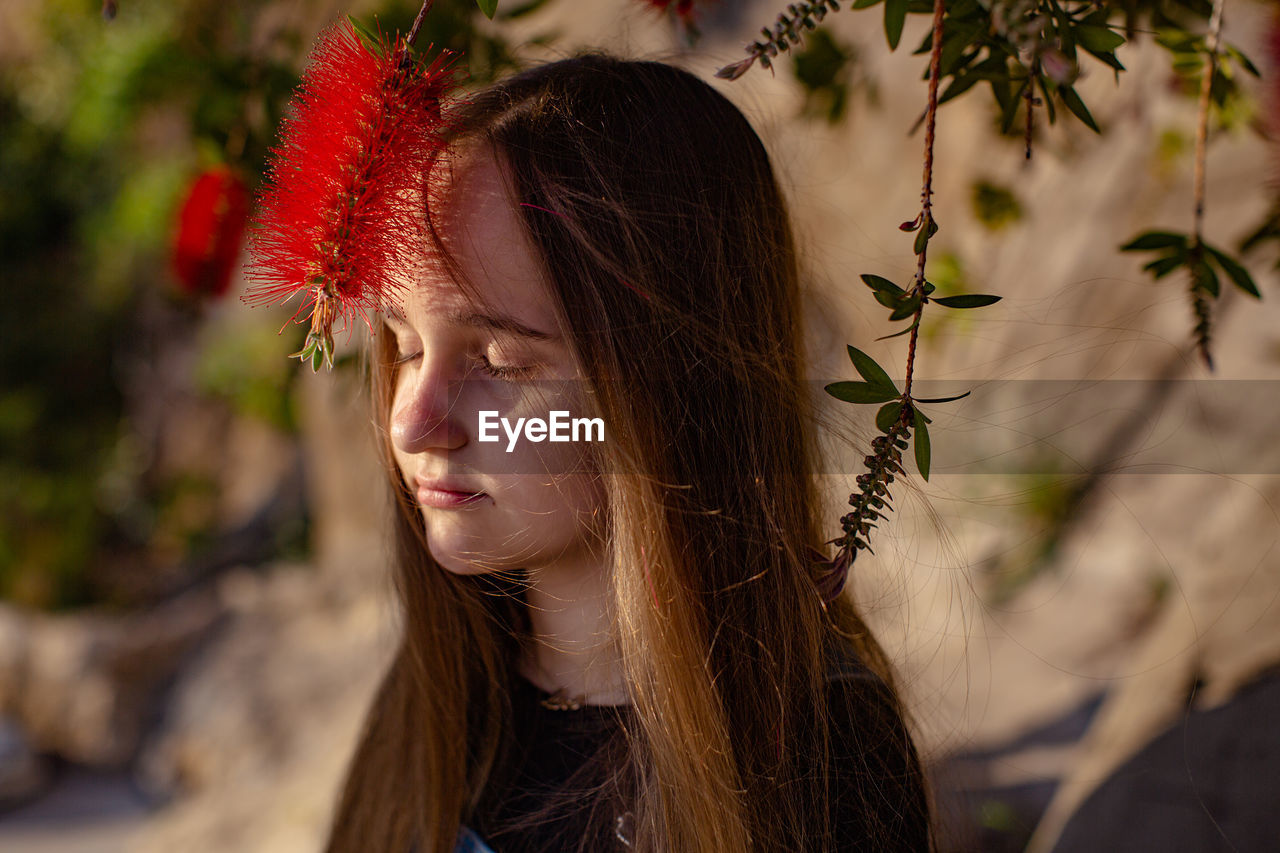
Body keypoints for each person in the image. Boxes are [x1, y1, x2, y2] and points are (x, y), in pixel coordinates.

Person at [323, 52, 933, 853]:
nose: (414, 422)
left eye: (500, 363)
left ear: (672, 388)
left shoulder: (813, 757)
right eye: (404, 347)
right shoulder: (439, 709)